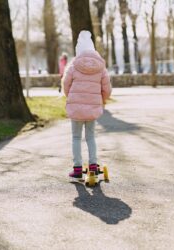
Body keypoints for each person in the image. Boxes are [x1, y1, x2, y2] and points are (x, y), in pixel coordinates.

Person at [62, 30, 112, 181]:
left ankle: (77, 169)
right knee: (90, 137)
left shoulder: (73, 65)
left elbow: (66, 83)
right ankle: (93, 166)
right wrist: (102, 100)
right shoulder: (101, 67)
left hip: (76, 108)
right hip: (92, 108)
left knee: (76, 137)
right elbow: (107, 89)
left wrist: (69, 96)